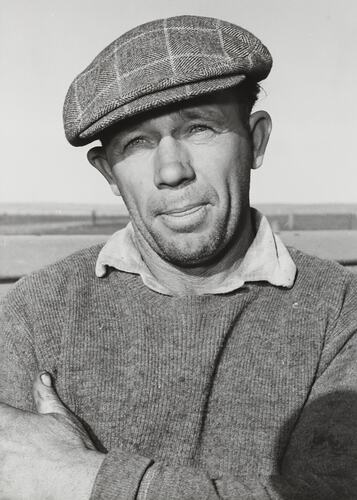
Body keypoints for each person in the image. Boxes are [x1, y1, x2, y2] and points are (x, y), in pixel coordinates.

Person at [1, 14, 357, 500]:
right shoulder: (35, 312)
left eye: (199, 129)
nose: (171, 171)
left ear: (255, 140)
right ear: (107, 171)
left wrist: (81, 478)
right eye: (137, 142)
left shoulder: (341, 313)